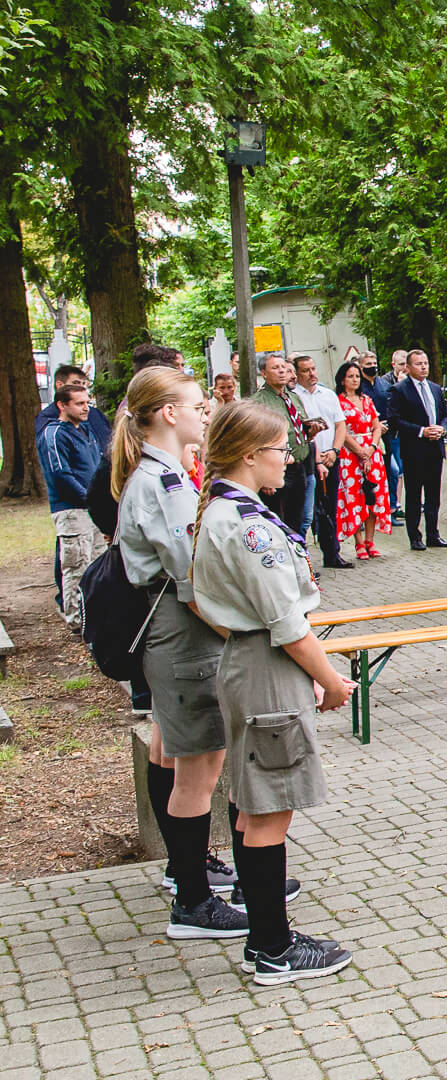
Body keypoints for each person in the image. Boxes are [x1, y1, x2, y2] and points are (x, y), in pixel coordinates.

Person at [189, 401, 355, 985]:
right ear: (248, 455)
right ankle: (274, 950)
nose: (290, 459)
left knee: (252, 805)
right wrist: (330, 680)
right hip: (266, 665)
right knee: (268, 811)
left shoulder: (224, 511)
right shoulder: (247, 526)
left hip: (251, 660)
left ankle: (264, 939)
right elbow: (287, 625)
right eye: (282, 450)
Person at [107, 368, 250, 940]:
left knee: (171, 751)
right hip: (184, 633)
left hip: (172, 630)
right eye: (196, 406)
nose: (205, 413)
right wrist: (241, 632)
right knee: (200, 770)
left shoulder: (159, 475)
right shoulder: (163, 483)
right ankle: (193, 902)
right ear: (169, 413)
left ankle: (184, 869)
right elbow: (192, 577)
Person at [36, 384, 106, 629]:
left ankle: (95, 615)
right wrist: (87, 497)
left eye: (87, 402)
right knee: (77, 565)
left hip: (93, 508)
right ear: (62, 405)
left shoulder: (86, 430)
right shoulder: (54, 434)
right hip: (71, 510)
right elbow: (60, 474)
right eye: (79, 403)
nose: (86, 408)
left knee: (97, 562)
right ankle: (77, 620)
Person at [292, 356, 353, 571]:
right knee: (307, 512)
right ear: (297, 374)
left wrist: (335, 451)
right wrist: (318, 458)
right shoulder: (294, 397)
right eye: (306, 370)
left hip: (331, 457)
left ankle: (332, 552)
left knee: (330, 507)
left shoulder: (328, 395)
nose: (312, 374)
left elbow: (340, 425)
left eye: (313, 368)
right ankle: (303, 558)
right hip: (309, 461)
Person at [247, 354, 316, 539]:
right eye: (275, 368)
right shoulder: (258, 402)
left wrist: (311, 431)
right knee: (278, 520)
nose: (282, 372)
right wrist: (264, 479)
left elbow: (300, 428)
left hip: (300, 465)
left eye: (284, 367)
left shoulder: (293, 398)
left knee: (299, 519)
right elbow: (255, 440)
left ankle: (297, 554)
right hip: (275, 468)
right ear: (263, 373)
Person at [391, 349, 447, 550]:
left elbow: (445, 415)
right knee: (414, 496)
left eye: (425, 363)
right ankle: (415, 537)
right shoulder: (400, 390)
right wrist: (421, 431)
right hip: (414, 450)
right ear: (408, 367)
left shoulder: (435, 388)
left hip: (435, 448)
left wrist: (442, 428)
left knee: (434, 495)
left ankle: (433, 534)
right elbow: (395, 420)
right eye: (419, 364)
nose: (424, 367)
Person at [332, 361, 392, 559]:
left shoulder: (366, 399)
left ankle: (370, 540)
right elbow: (342, 431)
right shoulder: (338, 402)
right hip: (350, 454)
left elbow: (376, 426)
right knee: (354, 497)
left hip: (372, 452)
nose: (355, 380)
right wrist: (360, 452)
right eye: (350, 376)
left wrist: (372, 448)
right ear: (342, 380)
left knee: (373, 496)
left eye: (357, 376)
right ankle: (358, 542)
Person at [34, 364, 114, 452]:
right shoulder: (47, 421)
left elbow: (109, 445)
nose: (81, 388)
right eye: (76, 383)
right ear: (60, 385)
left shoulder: (95, 414)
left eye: (84, 384)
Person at [375, 350, 409, 526]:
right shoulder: (384, 382)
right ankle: (390, 508)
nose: (404, 368)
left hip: (403, 433)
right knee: (393, 470)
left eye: (406, 364)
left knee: (400, 471)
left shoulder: (411, 381)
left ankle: (397, 505)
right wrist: (401, 386)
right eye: (401, 364)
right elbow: (390, 405)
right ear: (393, 364)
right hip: (388, 434)